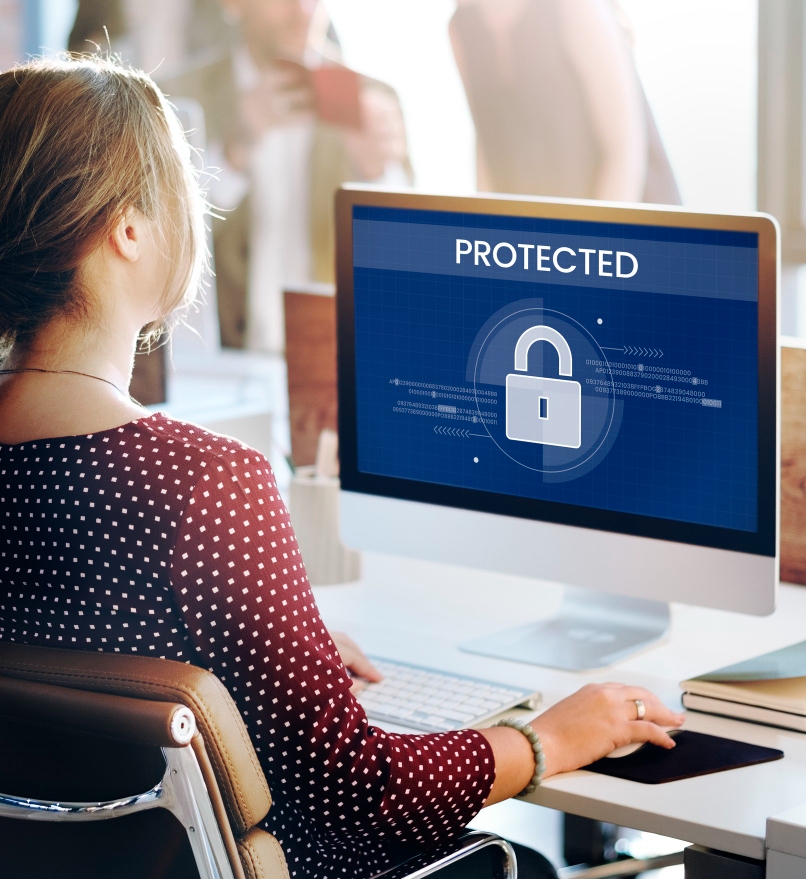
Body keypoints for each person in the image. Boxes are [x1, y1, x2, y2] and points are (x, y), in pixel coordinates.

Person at [0, 57, 684, 879]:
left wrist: (273, 642)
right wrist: (548, 740)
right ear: (129, 229)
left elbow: (74, 642)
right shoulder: (204, 486)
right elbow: (358, 792)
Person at [162, 0, 410, 353]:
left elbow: (405, 263)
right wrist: (233, 155)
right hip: (216, 360)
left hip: (332, 356)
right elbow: (159, 246)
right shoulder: (176, 96)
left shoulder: (374, 98)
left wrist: (376, 174)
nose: (304, 11)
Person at [450, 0, 680, 205]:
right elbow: (489, 144)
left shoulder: (575, 6)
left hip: (625, 219)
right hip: (545, 232)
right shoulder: (461, 28)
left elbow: (625, 151)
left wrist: (588, 243)